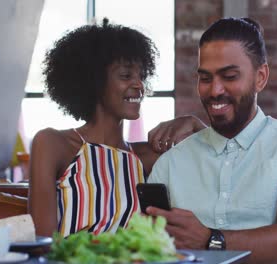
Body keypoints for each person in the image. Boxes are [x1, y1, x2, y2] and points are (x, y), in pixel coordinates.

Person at [147, 17, 277, 263]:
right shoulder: (171, 163)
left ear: (260, 77)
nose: (215, 90)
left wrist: (211, 240)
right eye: (205, 78)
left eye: (230, 76)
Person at [28, 19, 205, 237]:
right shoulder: (52, 143)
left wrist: (195, 123)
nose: (139, 85)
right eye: (126, 75)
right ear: (94, 80)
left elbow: (221, 160)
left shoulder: (144, 156)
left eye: (141, 76)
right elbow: (43, 240)